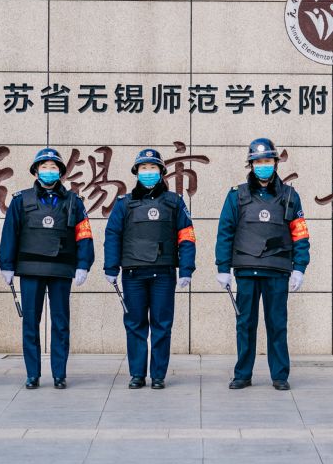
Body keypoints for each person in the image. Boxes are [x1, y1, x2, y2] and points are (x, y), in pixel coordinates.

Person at [215, 138, 310, 391]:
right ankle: (242, 375)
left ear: (275, 163)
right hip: (246, 269)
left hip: (277, 270)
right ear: (251, 165)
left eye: (267, 161)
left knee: (277, 324)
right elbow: (225, 232)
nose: (263, 165)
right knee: (245, 325)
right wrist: (223, 268)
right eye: (258, 162)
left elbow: (300, 234)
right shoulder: (236, 195)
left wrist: (299, 267)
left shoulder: (289, 196)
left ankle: (279, 375)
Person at [0, 148, 93, 389]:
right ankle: (33, 374)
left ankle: (59, 374)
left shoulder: (74, 201)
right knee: (30, 323)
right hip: (31, 270)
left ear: (60, 172)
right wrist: (6, 264)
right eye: (44, 167)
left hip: (61, 270)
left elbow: (84, 235)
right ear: (36, 171)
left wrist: (84, 264)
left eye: (53, 167)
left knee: (60, 324)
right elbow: (10, 234)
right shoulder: (21, 200)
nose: (48, 171)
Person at [104, 149, 196, 390]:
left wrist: (186, 269)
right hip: (133, 274)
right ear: (136, 172)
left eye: (153, 168)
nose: (148, 172)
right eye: (143, 168)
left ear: (161, 172)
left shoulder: (174, 202)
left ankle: (158, 375)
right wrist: (111, 267)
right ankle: (137, 374)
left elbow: (186, 236)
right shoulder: (124, 203)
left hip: (163, 274)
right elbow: (113, 235)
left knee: (162, 325)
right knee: (135, 324)